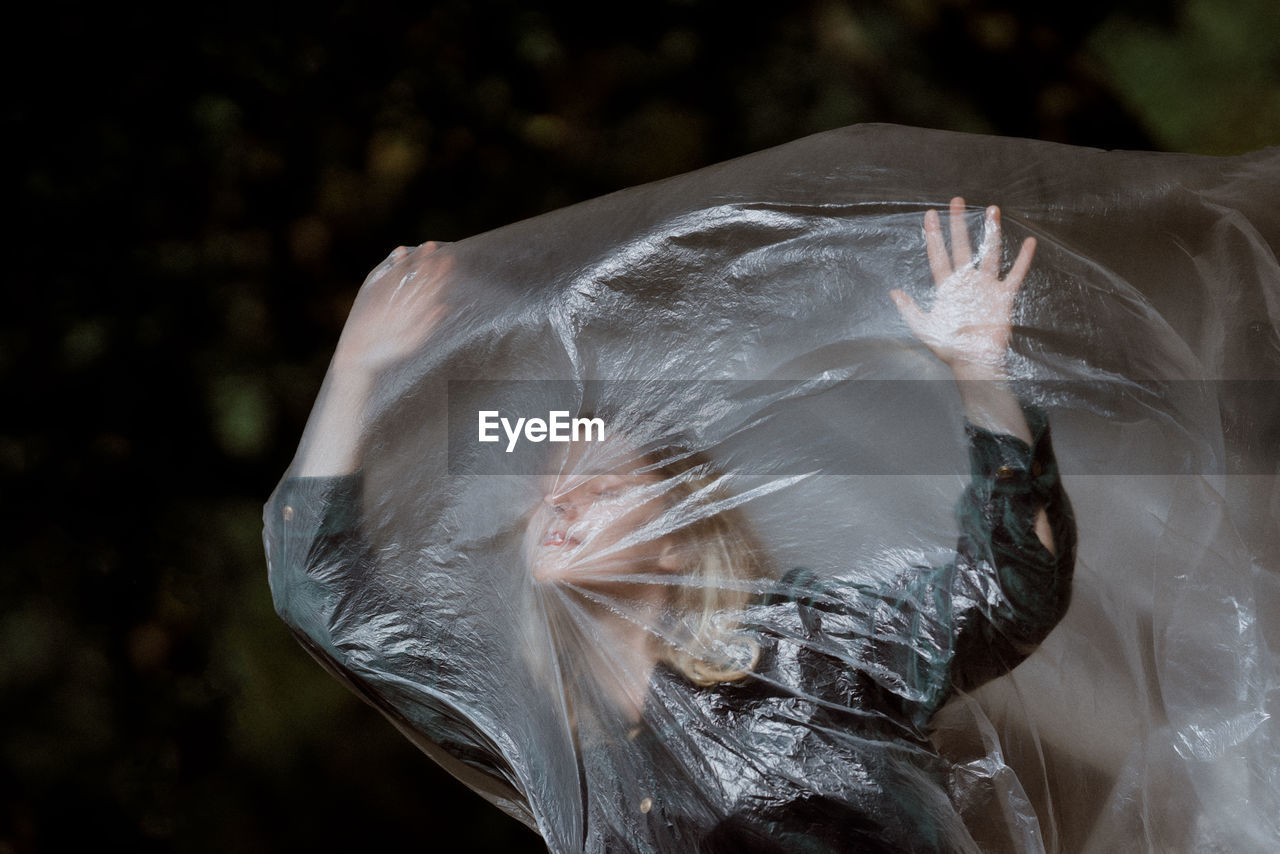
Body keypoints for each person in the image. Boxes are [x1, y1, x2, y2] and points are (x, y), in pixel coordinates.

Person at [266, 197, 1077, 853]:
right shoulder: (539, 739)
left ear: (678, 536)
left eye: (600, 483)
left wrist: (979, 376)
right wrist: (357, 371)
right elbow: (325, 601)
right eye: (549, 491)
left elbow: (1006, 594)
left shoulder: (796, 654)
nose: (561, 501)